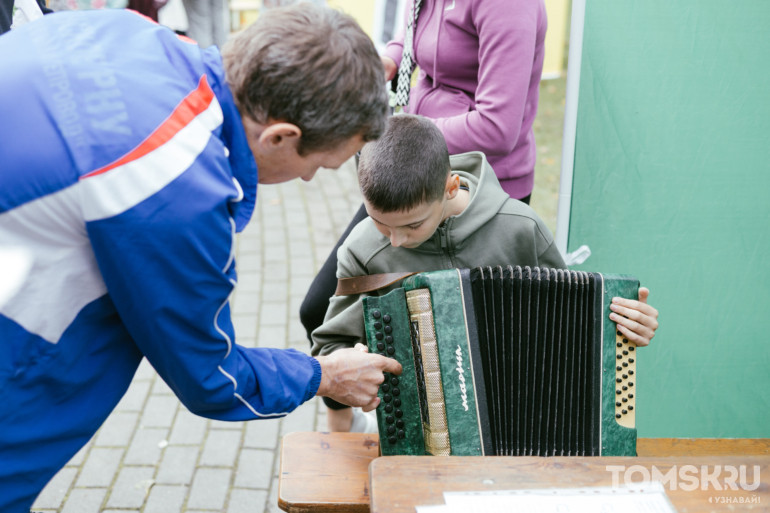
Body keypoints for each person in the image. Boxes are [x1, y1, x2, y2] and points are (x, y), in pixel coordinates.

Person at [0, 5, 399, 511]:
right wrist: (325, 375)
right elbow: (212, 376)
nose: (306, 181)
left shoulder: (128, 31)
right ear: (280, 136)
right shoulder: (175, 187)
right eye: (318, 166)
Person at [310, 115, 659, 432]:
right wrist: (353, 372)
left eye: (412, 225)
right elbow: (330, 347)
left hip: (525, 416)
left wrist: (623, 329)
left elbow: (569, 323)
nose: (396, 241)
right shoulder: (362, 248)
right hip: (419, 428)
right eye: (380, 223)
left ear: (450, 187)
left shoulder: (520, 228)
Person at [300, 0, 549, 353]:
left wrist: (392, 130)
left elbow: (496, 127)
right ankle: (341, 409)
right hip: (411, 174)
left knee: (461, 349)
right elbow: (413, 32)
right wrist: (389, 59)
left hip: (474, 193)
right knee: (320, 312)